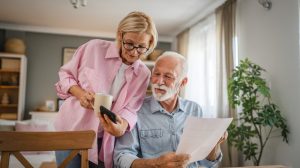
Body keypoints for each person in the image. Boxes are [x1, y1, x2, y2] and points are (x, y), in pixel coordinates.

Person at [54, 11, 158, 168]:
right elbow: (65, 75)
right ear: (120, 35)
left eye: (142, 47)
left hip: (105, 140)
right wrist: (81, 94)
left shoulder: (143, 74)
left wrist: (121, 127)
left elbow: (131, 110)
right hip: (71, 131)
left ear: (149, 45)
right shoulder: (94, 48)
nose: (134, 52)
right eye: (129, 43)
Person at [113, 51, 226, 168]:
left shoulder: (195, 109)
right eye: (156, 74)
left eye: (168, 76)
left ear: (183, 82)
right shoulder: (135, 110)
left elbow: (207, 163)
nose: (159, 82)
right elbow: (121, 157)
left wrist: (214, 144)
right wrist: (155, 164)